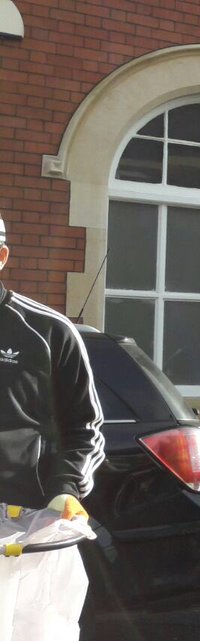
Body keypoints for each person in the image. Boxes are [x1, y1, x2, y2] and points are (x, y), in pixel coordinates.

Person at [0, 214, 104, 517]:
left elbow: (84, 427)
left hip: (20, 517)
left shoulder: (49, 331)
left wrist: (66, 488)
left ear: (2, 256)